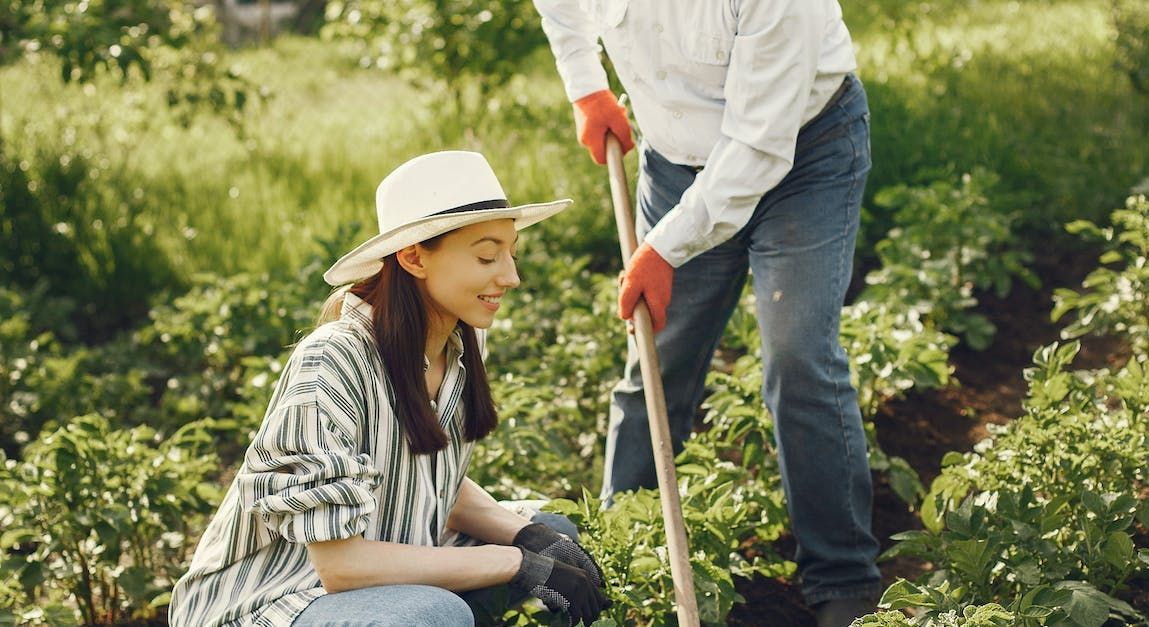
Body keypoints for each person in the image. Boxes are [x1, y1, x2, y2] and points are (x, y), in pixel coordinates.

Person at [531, 1, 880, 623]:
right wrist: (587, 88)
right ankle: (621, 555)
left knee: (799, 358)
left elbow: (758, 143)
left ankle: (842, 579)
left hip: (805, 153)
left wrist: (664, 249)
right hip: (674, 161)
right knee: (656, 359)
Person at [169, 151, 611, 627]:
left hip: (382, 573)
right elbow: (340, 566)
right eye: (487, 255)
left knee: (558, 535)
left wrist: (530, 540)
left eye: (511, 252)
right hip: (276, 600)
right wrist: (516, 563)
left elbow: (424, 480)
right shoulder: (333, 360)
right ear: (414, 257)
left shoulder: (461, 339)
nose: (510, 276)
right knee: (434, 614)